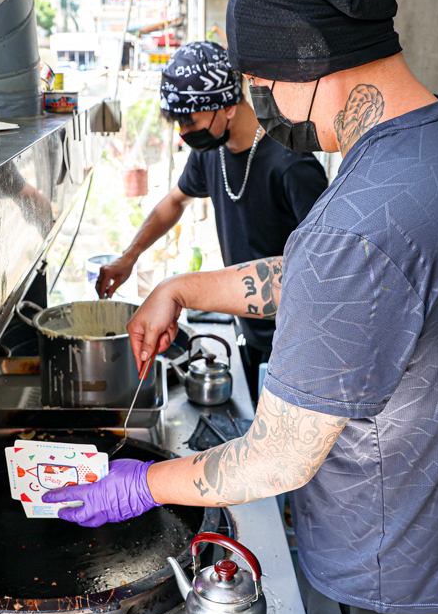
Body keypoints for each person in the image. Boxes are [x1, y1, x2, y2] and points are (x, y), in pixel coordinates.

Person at [46, 0, 438, 614]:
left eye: (261, 85)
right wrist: (178, 287)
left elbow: (277, 457)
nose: (262, 104)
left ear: (305, 55)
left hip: (398, 555)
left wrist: (140, 484)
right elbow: (343, 279)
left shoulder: (357, 219)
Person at [94, 41, 328, 403]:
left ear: (230, 107)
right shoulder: (211, 152)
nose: (184, 133)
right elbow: (175, 200)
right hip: (248, 326)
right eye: (178, 123)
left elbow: (325, 267)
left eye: (190, 122)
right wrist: (130, 255)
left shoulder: (292, 166)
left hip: (296, 342)